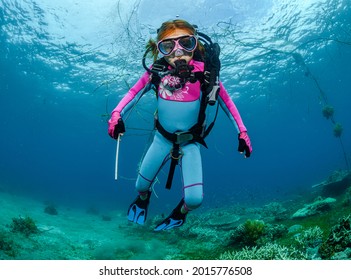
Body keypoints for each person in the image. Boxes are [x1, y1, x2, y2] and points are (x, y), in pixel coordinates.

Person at [108, 19, 252, 231]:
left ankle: (180, 214)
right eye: (168, 46)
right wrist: (116, 114)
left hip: (190, 143)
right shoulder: (156, 73)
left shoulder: (206, 75)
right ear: (160, 50)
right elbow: (132, 93)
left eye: (186, 43)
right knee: (140, 186)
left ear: (196, 45)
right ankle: (143, 200)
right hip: (161, 139)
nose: (178, 52)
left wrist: (243, 132)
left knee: (194, 200)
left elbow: (227, 103)